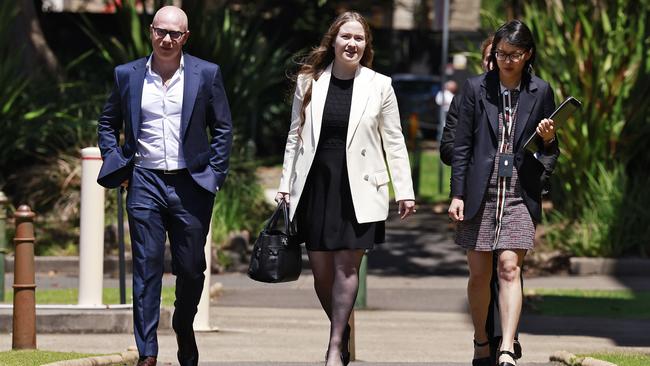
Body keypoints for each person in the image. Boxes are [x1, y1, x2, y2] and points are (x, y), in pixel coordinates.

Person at [276, 11, 416, 366]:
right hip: (317, 184)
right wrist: (285, 185)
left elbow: (394, 140)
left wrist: (405, 190)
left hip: (362, 186)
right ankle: (342, 327)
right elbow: (294, 135)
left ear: (366, 45)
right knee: (321, 273)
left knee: (346, 269)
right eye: (346, 37)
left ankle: (335, 345)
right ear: (333, 41)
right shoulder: (310, 81)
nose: (352, 43)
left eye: (359, 38)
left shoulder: (380, 85)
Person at [96, 6, 233, 366]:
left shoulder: (207, 74)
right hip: (144, 181)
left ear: (185, 37)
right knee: (146, 266)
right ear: (151, 32)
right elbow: (108, 124)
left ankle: (184, 327)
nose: (167, 39)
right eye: (161, 32)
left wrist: (214, 175)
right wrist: (118, 164)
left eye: (175, 34)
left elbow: (222, 128)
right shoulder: (127, 75)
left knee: (190, 268)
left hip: (191, 184)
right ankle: (148, 352)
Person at [448, 20, 559, 366]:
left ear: (527, 55)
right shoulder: (474, 88)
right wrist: (457, 194)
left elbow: (550, 151)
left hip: (518, 192)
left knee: (510, 268)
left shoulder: (540, 91)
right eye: (500, 53)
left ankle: (507, 347)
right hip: (480, 190)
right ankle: (482, 339)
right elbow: (461, 145)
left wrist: (549, 137)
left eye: (513, 54)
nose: (505, 60)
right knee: (480, 274)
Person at [440, 36, 493, 165]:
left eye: (498, 58)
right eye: (489, 59)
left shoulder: (524, 98)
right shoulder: (462, 101)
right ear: (482, 63)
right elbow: (447, 151)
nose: (493, 64)